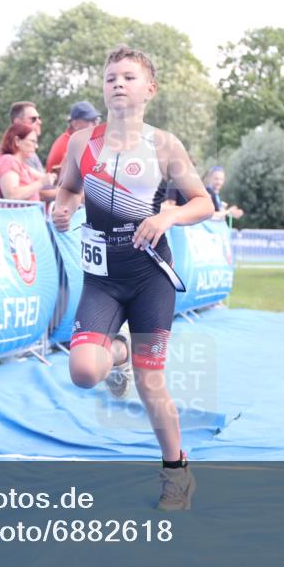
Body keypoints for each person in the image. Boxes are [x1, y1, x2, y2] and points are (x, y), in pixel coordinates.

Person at [52, 45, 214, 511]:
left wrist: (168, 218)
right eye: (110, 78)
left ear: (150, 89)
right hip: (101, 277)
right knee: (84, 372)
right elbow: (67, 189)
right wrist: (62, 209)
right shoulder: (84, 144)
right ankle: (116, 351)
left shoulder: (165, 146)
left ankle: (177, 472)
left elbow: (202, 202)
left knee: (150, 382)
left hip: (149, 277)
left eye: (128, 77)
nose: (118, 83)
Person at [0, 123, 49, 201]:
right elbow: (12, 195)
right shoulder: (8, 161)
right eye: (32, 141)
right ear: (17, 141)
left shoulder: (21, 166)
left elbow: (48, 178)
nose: (36, 146)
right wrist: (41, 183)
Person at [46, 101, 101, 176]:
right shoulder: (66, 144)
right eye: (92, 121)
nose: (96, 125)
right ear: (75, 124)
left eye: (97, 120)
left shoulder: (76, 140)